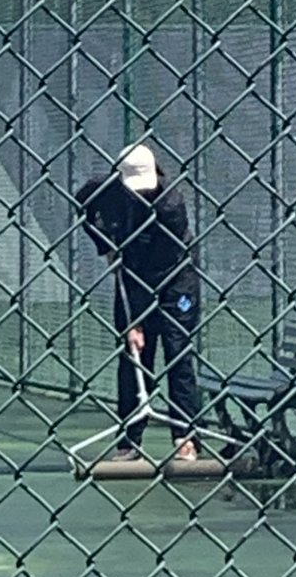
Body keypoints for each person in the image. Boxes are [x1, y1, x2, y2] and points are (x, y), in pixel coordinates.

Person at [75, 142, 201, 461]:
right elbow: (83, 207)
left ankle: (185, 436)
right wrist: (105, 246)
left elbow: (158, 265)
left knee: (178, 353)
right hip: (131, 276)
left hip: (175, 282)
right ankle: (129, 440)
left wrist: (137, 320)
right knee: (133, 360)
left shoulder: (170, 206)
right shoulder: (105, 190)